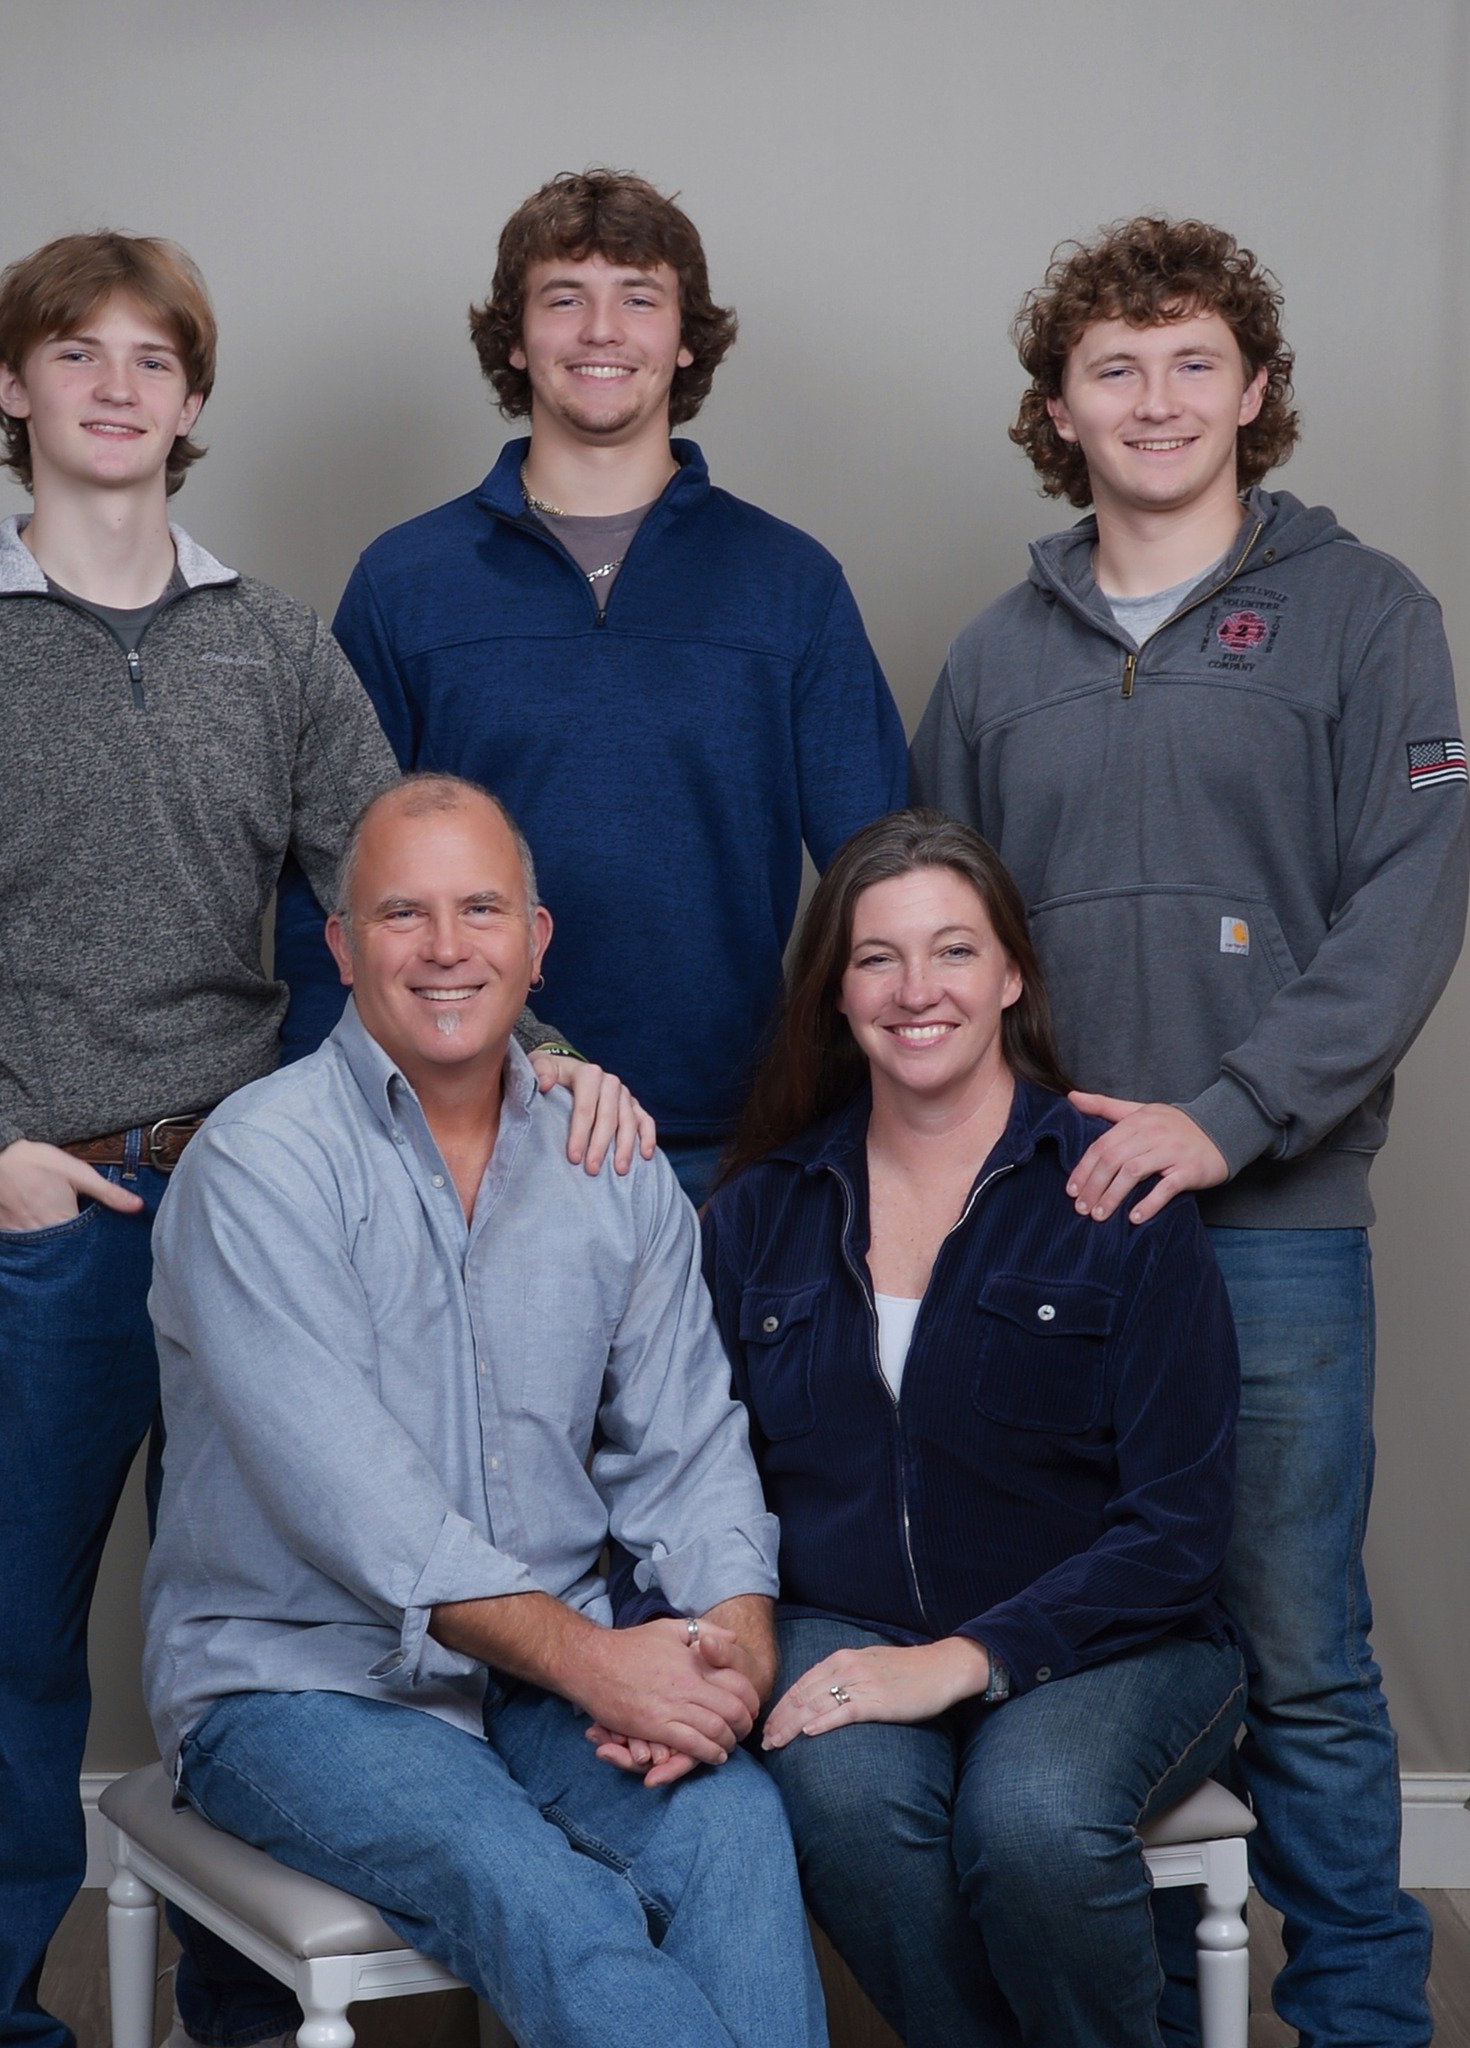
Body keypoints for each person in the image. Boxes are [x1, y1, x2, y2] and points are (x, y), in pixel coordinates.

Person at [0, 232, 646, 2048]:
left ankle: (246, 2010)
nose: (114, 387)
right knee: (6, 1647)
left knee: (272, 1631)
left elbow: (410, 894)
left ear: (192, 398)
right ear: (12, 384)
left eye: (151, 359)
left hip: (264, 1209)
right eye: (76, 353)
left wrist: (554, 1057)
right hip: (49, 1219)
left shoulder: (272, 643)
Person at [911, 215, 1468, 2048]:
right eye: (1112, 367)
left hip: (1271, 1232)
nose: (1153, 400)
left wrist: (1228, 1117)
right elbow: (942, 942)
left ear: (1251, 391)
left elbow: (1406, 904)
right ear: (1055, 410)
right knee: (1099, 1640)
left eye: (1190, 362)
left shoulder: (1365, 612)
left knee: (1295, 1645)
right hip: (1056, 1235)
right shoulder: (993, 659)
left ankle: (1364, 2015)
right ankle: (1144, 2005)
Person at [143, 774, 828, 2048]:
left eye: (481, 908)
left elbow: (689, 1448)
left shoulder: (609, 1164)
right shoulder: (257, 1168)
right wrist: (604, 1665)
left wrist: (731, 1649)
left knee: (734, 1825)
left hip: (539, 1678)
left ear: (536, 938)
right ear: (343, 945)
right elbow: (364, 1510)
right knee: (546, 1899)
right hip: (302, 1682)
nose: (446, 947)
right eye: (402, 913)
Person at [617, 807, 1240, 2048]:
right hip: (838, 1619)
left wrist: (963, 1657)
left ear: (1012, 974)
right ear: (836, 993)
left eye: (955, 950)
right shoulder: (757, 1211)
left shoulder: (1117, 1191)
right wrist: (669, 1648)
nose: (917, 990)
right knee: (840, 1798)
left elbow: (1180, 1526)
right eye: (878, 957)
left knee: (1033, 1819)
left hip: (1114, 1636)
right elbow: (682, 1468)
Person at [273, 166, 909, 1203]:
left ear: (686, 338)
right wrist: (336, 1123)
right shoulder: (406, 581)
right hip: (463, 1129)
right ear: (516, 339)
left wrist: (894, 1114)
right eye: (564, 298)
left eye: (639, 299)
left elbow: (883, 875)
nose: (601, 330)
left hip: (735, 1145)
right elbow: (332, 877)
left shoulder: (790, 583)